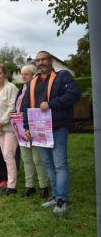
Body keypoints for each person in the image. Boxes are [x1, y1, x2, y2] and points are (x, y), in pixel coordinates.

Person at [22, 51, 80, 214]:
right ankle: (55, 196)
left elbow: (74, 94)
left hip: (57, 128)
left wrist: (51, 104)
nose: (41, 62)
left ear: (51, 61)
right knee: (48, 164)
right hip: (39, 131)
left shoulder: (63, 77)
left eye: (44, 59)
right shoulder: (31, 83)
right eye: (38, 60)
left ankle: (61, 200)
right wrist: (27, 127)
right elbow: (25, 106)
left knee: (60, 164)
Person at [16, 64, 50, 198]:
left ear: (33, 75)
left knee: (38, 158)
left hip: (35, 126)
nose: (23, 76)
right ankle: (29, 185)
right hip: (20, 127)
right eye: (22, 74)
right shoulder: (21, 89)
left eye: (26, 74)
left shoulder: (38, 88)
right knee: (26, 158)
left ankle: (44, 186)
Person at [0, 64, 19, 195]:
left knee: (8, 155)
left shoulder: (11, 88)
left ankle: (12, 186)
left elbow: (12, 107)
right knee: (6, 156)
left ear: (5, 74)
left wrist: (2, 121)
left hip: (10, 127)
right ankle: (9, 182)